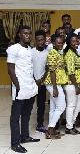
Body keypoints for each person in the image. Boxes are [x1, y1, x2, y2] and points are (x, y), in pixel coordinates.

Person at [7, 25, 40, 153]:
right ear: (20, 35)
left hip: (30, 87)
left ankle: (25, 136)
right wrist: (18, 85)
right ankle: (15, 143)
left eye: (29, 33)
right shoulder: (13, 49)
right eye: (25, 33)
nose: (28, 35)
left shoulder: (30, 50)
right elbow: (10, 69)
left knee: (26, 113)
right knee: (15, 117)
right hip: (20, 88)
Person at [44, 34, 68, 139]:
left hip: (55, 83)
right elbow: (52, 71)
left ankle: (52, 130)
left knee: (54, 108)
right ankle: (50, 129)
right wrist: (54, 88)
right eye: (58, 43)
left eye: (62, 43)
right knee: (61, 106)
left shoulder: (57, 52)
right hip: (53, 83)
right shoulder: (53, 54)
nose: (61, 45)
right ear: (53, 43)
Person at [63, 33, 80, 135]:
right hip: (71, 84)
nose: (76, 43)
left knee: (79, 103)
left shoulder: (74, 52)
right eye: (74, 41)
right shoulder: (70, 54)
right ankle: (69, 127)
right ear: (69, 43)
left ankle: (71, 123)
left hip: (76, 83)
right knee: (71, 105)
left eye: (77, 40)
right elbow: (71, 72)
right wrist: (76, 86)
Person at [32, 30, 49, 134]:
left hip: (42, 84)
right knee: (28, 105)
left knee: (41, 105)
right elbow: (28, 67)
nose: (40, 42)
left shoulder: (47, 53)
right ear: (35, 41)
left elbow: (48, 68)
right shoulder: (31, 52)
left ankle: (40, 125)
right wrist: (34, 80)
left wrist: (41, 80)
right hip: (31, 83)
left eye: (42, 40)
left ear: (45, 40)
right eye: (38, 40)